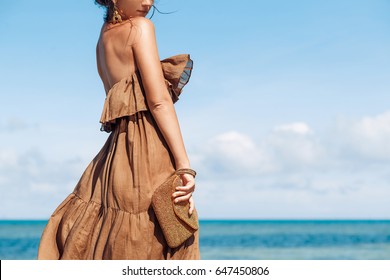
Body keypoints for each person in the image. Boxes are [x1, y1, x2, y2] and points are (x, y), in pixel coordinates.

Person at [37, 0, 200, 260]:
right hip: (149, 151)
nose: (148, 2)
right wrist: (184, 167)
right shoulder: (141, 27)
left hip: (115, 155)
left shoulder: (103, 38)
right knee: (162, 234)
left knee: (115, 238)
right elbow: (159, 102)